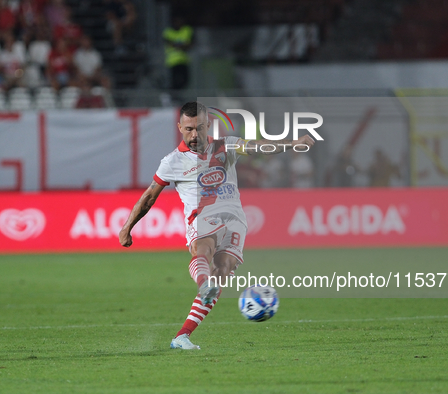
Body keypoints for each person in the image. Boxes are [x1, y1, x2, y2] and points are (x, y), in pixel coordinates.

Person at [119, 102, 315, 349]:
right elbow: (149, 197)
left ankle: (182, 336)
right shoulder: (172, 162)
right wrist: (128, 227)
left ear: (208, 125)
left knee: (223, 270)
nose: (194, 135)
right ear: (179, 127)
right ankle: (204, 285)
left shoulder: (226, 145)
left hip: (235, 219)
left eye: (199, 128)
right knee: (204, 250)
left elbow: (256, 147)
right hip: (202, 217)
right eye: (189, 129)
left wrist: (290, 144)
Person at [163, 16, 193, 90]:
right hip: (172, 62)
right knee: (174, 81)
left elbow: (189, 44)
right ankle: (171, 96)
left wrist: (177, 45)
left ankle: (175, 96)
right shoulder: (168, 32)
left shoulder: (187, 30)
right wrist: (182, 45)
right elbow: (169, 43)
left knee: (185, 81)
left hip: (184, 60)